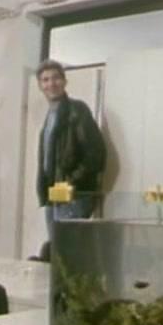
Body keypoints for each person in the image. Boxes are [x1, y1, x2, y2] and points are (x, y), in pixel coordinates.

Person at [34, 59, 106, 260]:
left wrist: (70, 183)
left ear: (64, 81)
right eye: (45, 80)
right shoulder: (51, 114)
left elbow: (96, 153)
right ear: (40, 85)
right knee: (58, 254)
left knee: (68, 254)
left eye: (56, 78)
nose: (51, 83)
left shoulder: (77, 110)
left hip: (73, 194)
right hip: (54, 195)